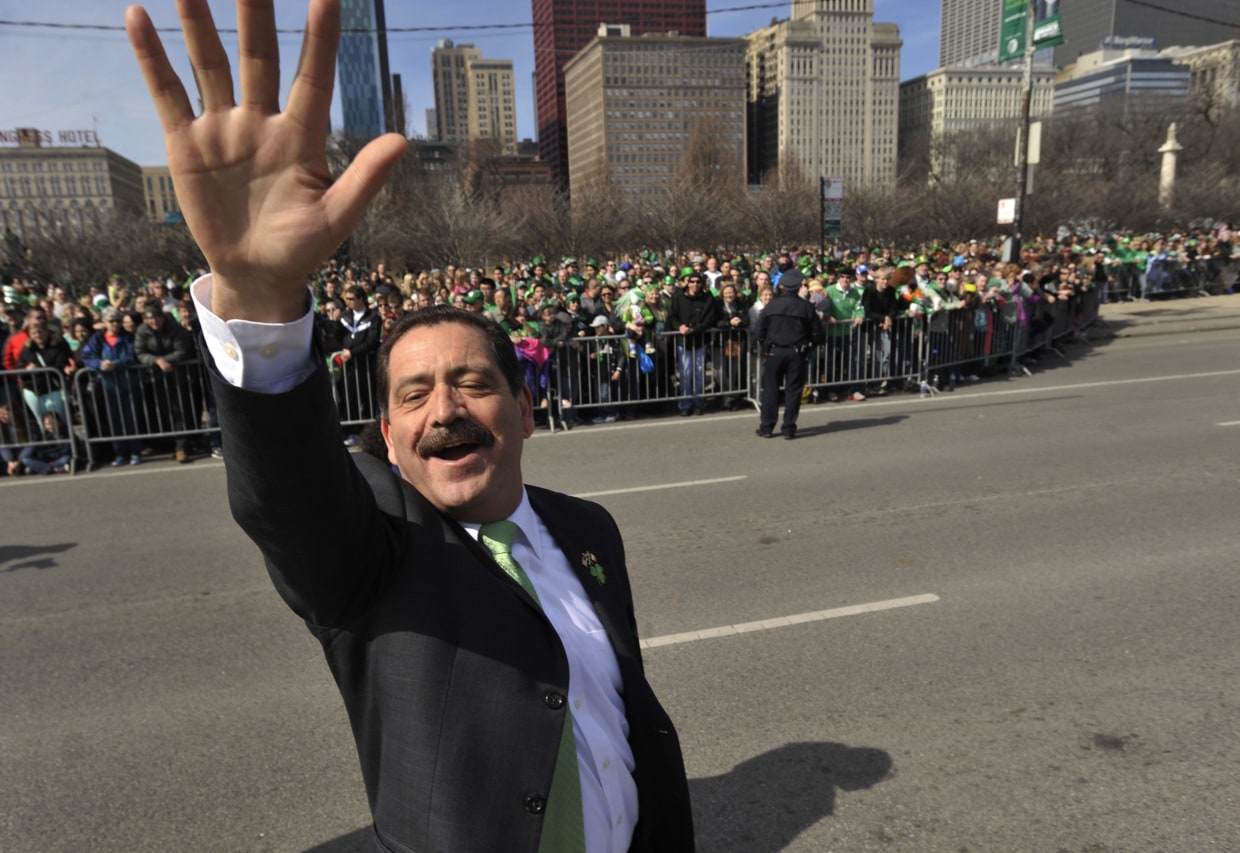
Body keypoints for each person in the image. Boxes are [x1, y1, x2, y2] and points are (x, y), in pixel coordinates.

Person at [125, 3, 693, 852]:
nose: (445, 410)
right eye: (414, 394)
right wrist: (261, 302)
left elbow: (614, 706)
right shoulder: (373, 549)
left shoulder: (588, 528)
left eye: (472, 382)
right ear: (388, 439)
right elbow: (288, 496)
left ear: (525, 410)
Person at [753, 269, 824, 440]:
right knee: (793, 391)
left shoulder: (771, 306)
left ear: (782, 286)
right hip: (797, 352)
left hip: (774, 351)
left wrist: (766, 346)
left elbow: (758, 331)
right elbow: (818, 334)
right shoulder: (806, 307)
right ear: (799, 286)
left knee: (770, 391)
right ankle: (788, 428)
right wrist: (809, 346)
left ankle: (767, 427)